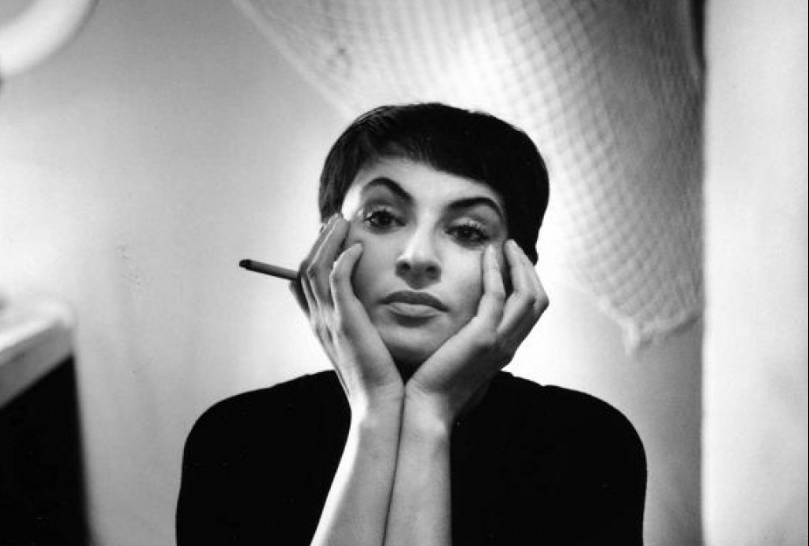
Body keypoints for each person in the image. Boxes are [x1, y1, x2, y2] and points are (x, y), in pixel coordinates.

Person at [176, 103, 646, 545]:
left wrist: (428, 413)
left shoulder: (586, 446)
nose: (417, 257)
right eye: (382, 218)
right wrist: (375, 411)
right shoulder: (239, 439)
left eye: (467, 231)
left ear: (516, 268)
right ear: (327, 247)